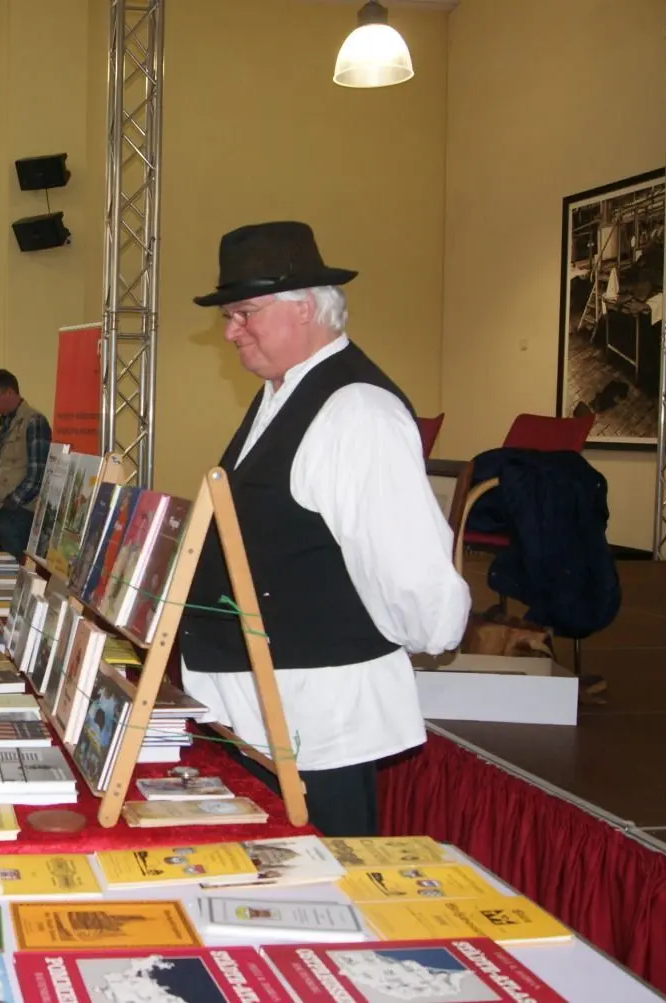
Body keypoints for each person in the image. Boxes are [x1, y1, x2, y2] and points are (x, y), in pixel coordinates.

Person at [178, 220, 470, 837]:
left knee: (328, 879)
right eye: (229, 316)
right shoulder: (281, 394)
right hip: (267, 705)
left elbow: (408, 564)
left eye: (243, 313)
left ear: (305, 307)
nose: (231, 332)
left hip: (317, 710)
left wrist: (423, 636)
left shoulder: (357, 410)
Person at [0, 369, 51, 557]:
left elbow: (39, 472)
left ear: (10, 393)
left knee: (14, 569)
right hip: (2, 511)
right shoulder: (3, 426)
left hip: (20, 512)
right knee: (3, 570)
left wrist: (14, 502)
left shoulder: (34, 421)